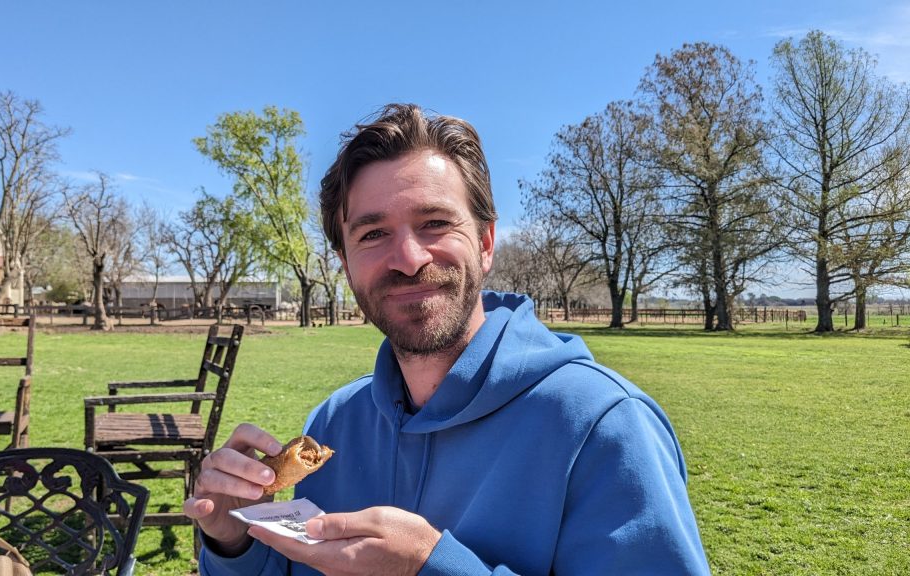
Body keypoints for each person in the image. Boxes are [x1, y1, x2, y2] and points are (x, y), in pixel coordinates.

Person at [185, 104, 711, 575]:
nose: (409, 258)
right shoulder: (333, 423)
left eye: (434, 223)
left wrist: (430, 567)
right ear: (345, 264)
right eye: (372, 234)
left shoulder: (602, 426)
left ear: (485, 243)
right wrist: (236, 545)